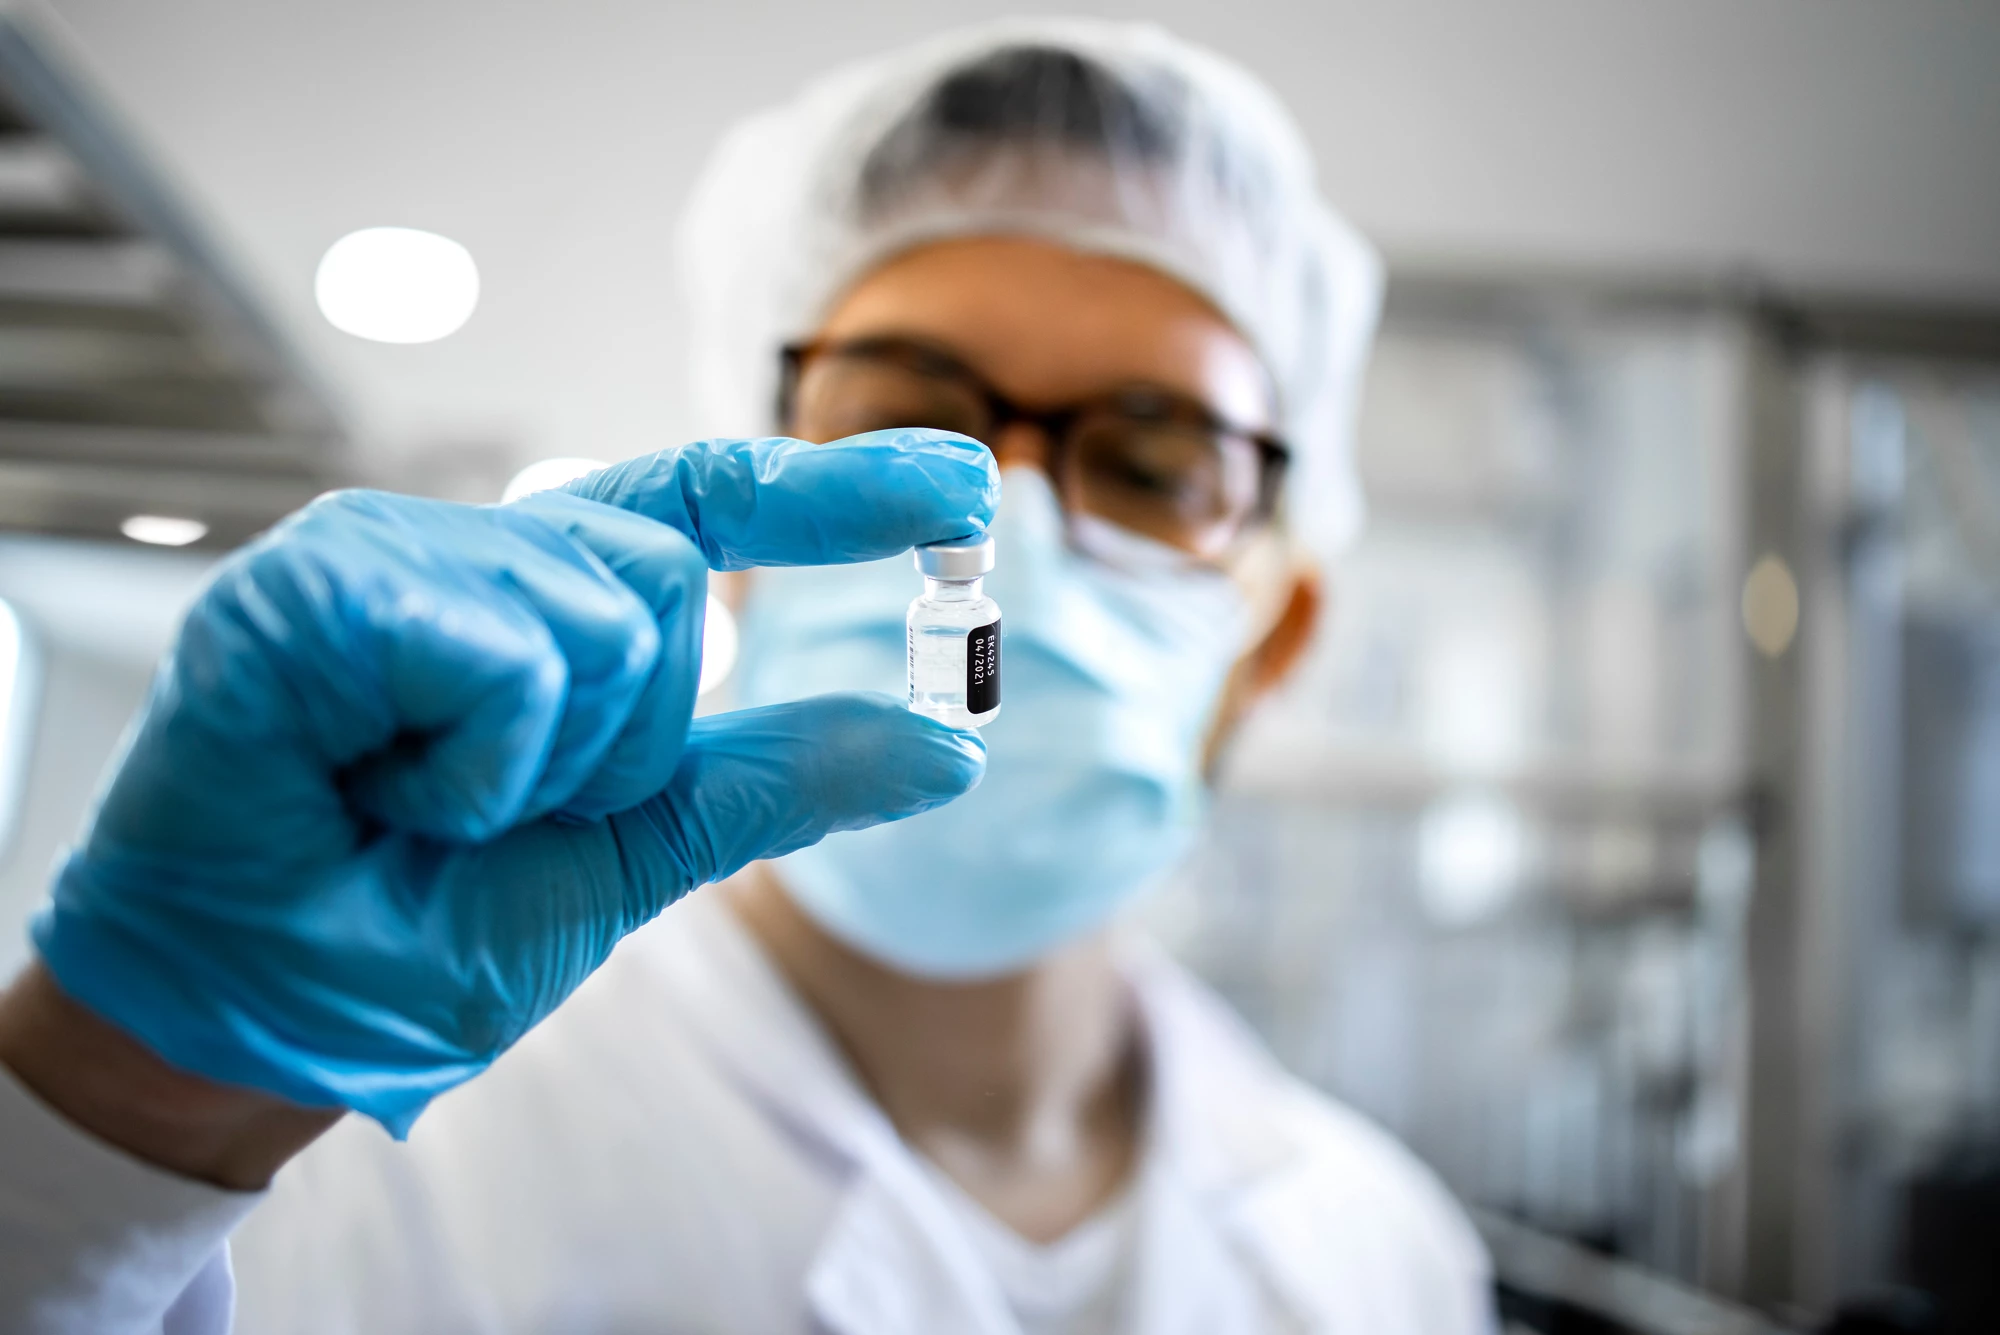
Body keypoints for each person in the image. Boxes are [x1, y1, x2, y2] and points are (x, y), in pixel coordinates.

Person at [0, 18, 1494, 1335]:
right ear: (753, 538)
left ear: (1275, 631)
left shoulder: (1382, 1260)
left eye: (1157, 458)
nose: (1012, 526)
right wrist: (110, 1122)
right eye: (909, 422)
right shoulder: (338, 1155)